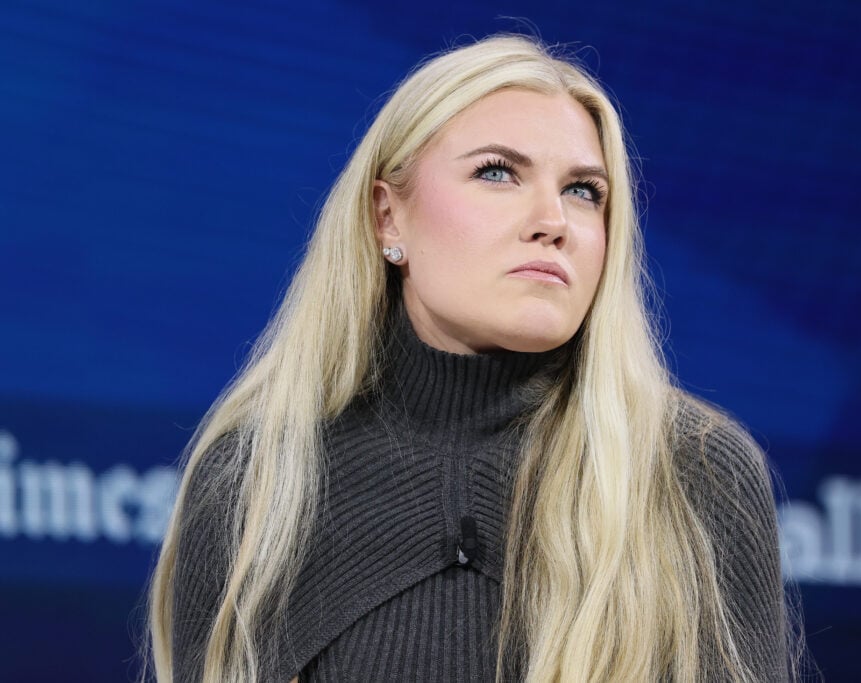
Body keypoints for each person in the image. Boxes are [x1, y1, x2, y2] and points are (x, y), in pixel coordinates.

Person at [142, 34, 793, 682]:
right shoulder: (258, 483)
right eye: (497, 172)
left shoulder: (694, 472)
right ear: (387, 217)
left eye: (584, 191)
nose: (552, 219)